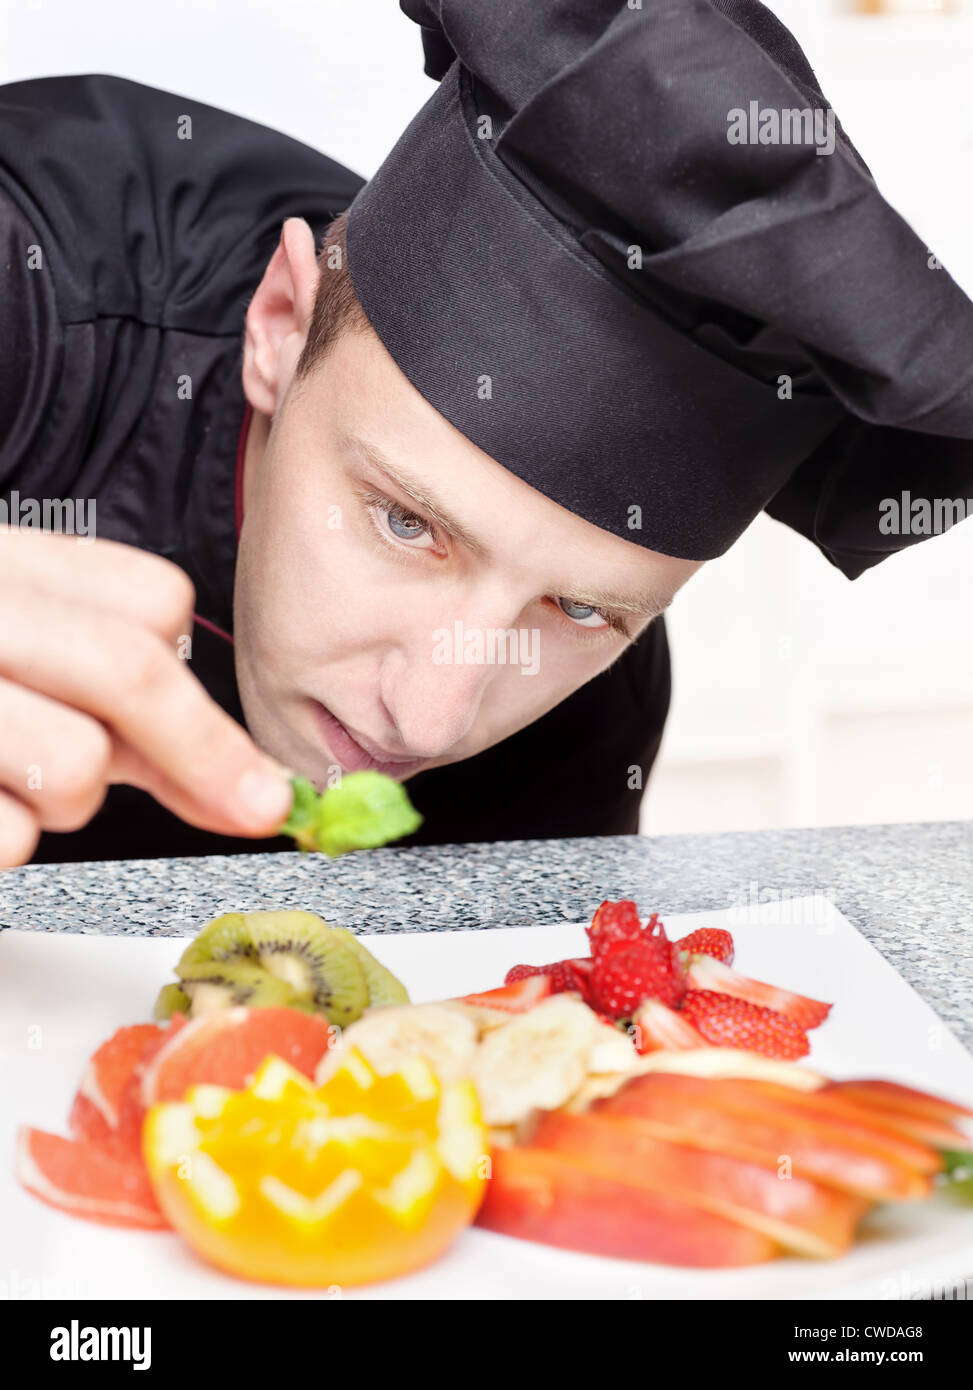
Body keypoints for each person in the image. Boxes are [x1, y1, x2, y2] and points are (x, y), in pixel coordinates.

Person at [1, 0, 971, 868]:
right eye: (406, 523)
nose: (429, 716)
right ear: (280, 327)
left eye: (578, 610)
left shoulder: (596, 716)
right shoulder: (31, 298)